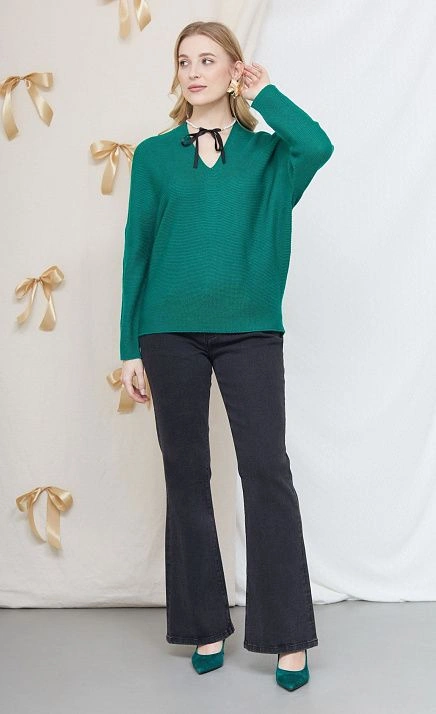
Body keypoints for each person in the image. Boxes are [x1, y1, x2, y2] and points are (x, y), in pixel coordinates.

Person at [120, 20, 334, 690]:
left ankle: (287, 635)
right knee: (186, 473)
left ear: (234, 70)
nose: (193, 71)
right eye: (184, 61)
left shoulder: (270, 156)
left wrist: (264, 95)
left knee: (266, 471)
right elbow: (137, 251)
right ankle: (204, 622)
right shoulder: (154, 157)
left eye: (208, 60)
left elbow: (319, 145)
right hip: (168, 332)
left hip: (249, 330)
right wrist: (129, 346)